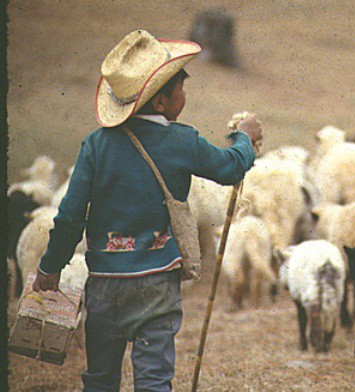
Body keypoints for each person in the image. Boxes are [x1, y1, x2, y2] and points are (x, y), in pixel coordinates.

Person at [32, 29, 262, 391]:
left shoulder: (96, 145)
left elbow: (70, 216)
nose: (184, 97)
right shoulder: (183, 142)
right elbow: (231, 167)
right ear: (160, 103)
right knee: (154, 379)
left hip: (105, 283)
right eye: (181, 90)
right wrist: (245, 138)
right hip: (157, 283)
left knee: (101, 379)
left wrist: (50, 266)